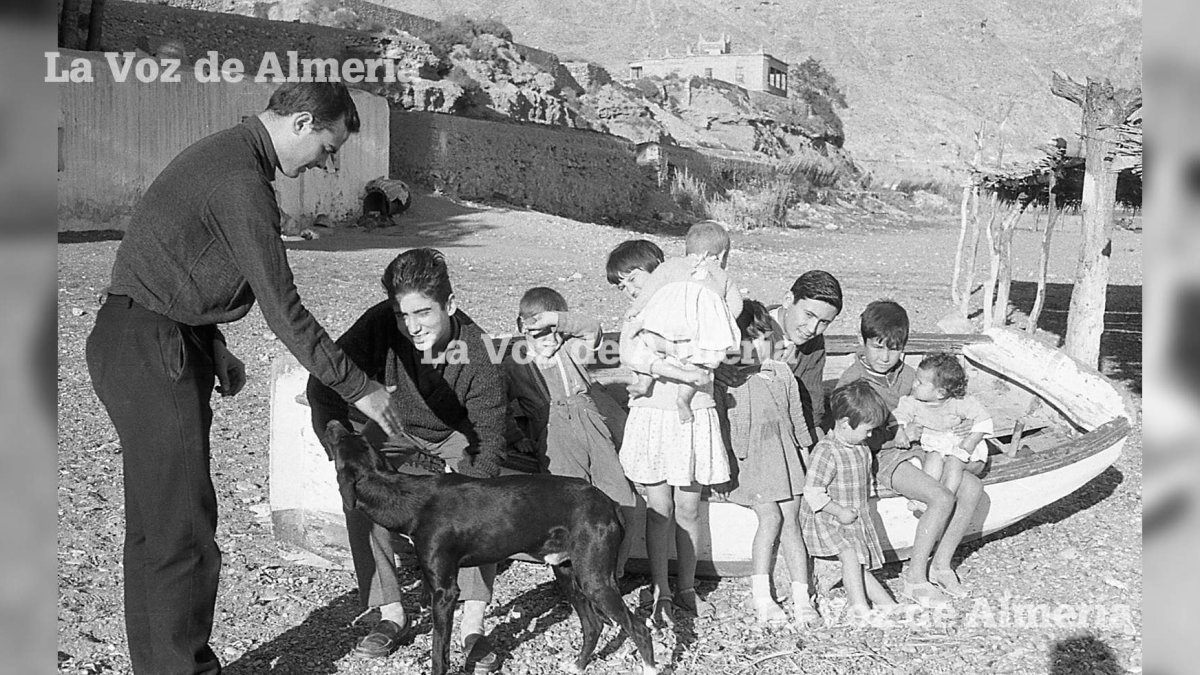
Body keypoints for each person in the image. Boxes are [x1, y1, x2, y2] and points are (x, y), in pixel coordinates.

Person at [85, 82, 403, 675]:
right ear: (303, 122)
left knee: (161, 527)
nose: (326, 165)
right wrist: (359, 386)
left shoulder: (229, 155)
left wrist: (213, 341)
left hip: (152, 339)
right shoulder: (240, 180)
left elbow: (175, 261)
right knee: (181, 532)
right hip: (153, 348)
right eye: (329, 148)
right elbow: (283, 305)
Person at [307, 248, 507, 671]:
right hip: (393, 424)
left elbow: (488, 444)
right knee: (362, 489)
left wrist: (466, 485)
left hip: (455, 434)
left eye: (423, 313)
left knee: (476, 501)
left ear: (449, 305)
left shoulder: (480, 352)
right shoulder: (380, 323)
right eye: (403, 315)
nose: (412, 327)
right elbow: (323, 383)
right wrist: (341, 448)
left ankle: (473, 622)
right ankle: (390, 611)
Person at [606, 239, 732, 627]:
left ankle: (687, 587)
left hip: (693, 415)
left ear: (659, 270)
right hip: (653, 417)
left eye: (632, 278)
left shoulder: (699, 303)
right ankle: (660, 588)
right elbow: (634, 355)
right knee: (659, 510)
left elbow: (712, 354)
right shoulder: (637, 316)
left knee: (690, 508)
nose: (628, 288)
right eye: (620, 284)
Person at [836, 300, 984, 604]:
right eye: (877, 347)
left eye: (893, 348)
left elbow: (941, 402)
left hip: (923, 450)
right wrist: (896, 433)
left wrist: (958, 425)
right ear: (861, 342)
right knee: (942, 497)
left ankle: (942, 564)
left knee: (971, 487)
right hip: (881, 457)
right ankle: (915, 578)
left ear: (904, 347)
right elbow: (850, 435)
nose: (885, 356)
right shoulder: (853, 381)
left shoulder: (910, 376)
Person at [504, 286, 638, 574]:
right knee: (569, 505)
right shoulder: (515, 363)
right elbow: (498, 403)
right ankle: (579, 574)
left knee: (619, 496)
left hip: (592, 430)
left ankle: (616, 570)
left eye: (557, 331)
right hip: (554, 438)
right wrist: (517, 436)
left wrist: (555, 319)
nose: (551, 340)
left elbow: (593, 329)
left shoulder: (570, 351)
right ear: (523, 327)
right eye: (542, 332)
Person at [716, 300, 820, 628]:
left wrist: (805, 456)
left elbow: (798, 420)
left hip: (786, 456)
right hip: (751, 463)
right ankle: (762, 595)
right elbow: (722, 429)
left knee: (793, 523)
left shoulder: (783, 372)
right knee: (771, 517)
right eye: (747, 341)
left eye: (763, 337)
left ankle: (802, 596)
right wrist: (721, 471)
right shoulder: (729, 381)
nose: (757, 346)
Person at [621, 221, 743, 423]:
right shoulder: (720, 275)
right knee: (700, 362)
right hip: (697, 334)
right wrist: (721, 323)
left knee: (650, 343)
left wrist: (636, 309)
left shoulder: (671, 266)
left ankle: (644, 381)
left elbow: (651, 288)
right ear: (722, 255)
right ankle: (683, 398)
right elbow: (736, 305)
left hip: (665, 325)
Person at [799, 381, 899, 621]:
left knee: (858, 561)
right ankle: (858, 607)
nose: (871, 434)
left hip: (851, 517)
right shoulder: (827, 451)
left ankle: (886, 603)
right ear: (845, 423)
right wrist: (838, 510)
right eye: (867, 429)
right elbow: (812, 492)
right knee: (851, 555)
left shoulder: (859, 446)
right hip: (828, 517)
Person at [894, 353, 993, 511]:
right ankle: (926, 497)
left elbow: (984, 419)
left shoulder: (959, 403)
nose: (913, 385)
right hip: (937, 444)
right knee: (933, 459)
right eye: (915, 379)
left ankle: (947, 498)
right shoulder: (912, 402)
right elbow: (899, 415)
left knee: (954, 462)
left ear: (940, 393)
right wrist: (900, 430)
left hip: (960, 444)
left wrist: (972, 440)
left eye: (920, 383)